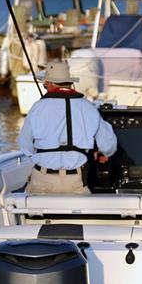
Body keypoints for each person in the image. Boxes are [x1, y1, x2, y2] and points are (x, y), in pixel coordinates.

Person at [19, 61, 117, 194]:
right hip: (75, 181)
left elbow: (25, 145)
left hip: (42, 179)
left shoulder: (37, 108)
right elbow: (109, 145)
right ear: (69, 83)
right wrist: (102, 153)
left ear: (49, 83)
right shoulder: (88, 107)